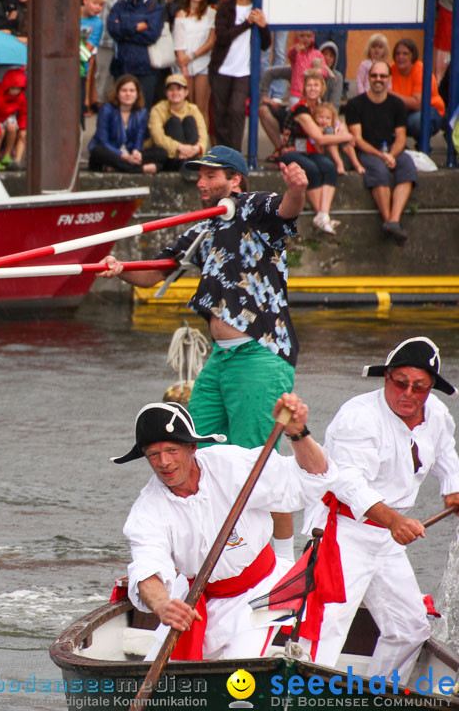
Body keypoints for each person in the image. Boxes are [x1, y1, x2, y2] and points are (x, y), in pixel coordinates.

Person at [100, 146, 308, 561]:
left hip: (260, 354)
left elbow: (286, 208)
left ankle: (283, 564)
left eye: (210, 176)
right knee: (200, 450)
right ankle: (215, 552)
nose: (200, 183)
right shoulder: (203, 225)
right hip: (222, 358)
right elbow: (159, 270)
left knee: (259, 465)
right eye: (199, 176)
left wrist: (297, 189)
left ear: (234, 179)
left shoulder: (250, 206)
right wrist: (122, 271)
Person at [119, 396, 332, 660]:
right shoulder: (147, 509)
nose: (164, 462)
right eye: (153, 454)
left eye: (172, 450)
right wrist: (164, 606)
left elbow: (314, 476)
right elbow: (147, 566)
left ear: (192, 447)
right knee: (158, 677)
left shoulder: (233, 465)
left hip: (258, 595)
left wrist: (298, 433)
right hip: (195, 601)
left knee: (237, 678)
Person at [305, 338, 459, 683]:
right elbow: (349, 483)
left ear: (431, 387)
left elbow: (447, 457)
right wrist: (393, 520)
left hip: (389, 539)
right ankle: (304, 700)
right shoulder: (358, 417)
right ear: (386, 377)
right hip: (346, 531)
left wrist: (453, 488)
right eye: (399, 382)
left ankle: (375, 695)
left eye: (419, 387)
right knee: (327, 627)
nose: (407, 393)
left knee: (410, 627)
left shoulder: (436, 414)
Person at [345, 61, 417, 246]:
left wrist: (392, 155)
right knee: (379, 170)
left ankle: (393, 220)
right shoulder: (355, 104)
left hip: (391, 150)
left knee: (407, 166)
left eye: (383, 76)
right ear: (368, 78)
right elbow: (357, 139)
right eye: (375, 75)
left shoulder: (397, 104)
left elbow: (401, 137)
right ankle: (390, 222)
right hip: (368, 152)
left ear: (389, 79)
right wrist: (382, 156)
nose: (378, 79)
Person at [274, 69, 352, 235]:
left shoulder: (321, 108)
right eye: (309, 85)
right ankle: (322, 216)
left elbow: (335, 123)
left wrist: (341, 130)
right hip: (292, 150)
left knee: (329, 167)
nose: (312, 88)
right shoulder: (301, 109)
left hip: (311, 151)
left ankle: (324, 214)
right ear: (304, 88)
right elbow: (320, 138)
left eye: (316, 85)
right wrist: (347, 136)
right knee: (311, 169)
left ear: (322, 88)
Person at [208, 0, 269, 151]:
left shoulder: (258, 9)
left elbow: (266, 44)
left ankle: (234, 156)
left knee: (236, 110)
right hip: (221, 69)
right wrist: (246, 23)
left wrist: (263, 27)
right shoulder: (225, 8)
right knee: (220, 114)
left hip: (244, 71)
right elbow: (222, 37)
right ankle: (223, 155)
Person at [89, 73, 165, 173]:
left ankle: (116, 168)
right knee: (97, 151)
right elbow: (103, 141)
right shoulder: (106, 109)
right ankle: (140, 169)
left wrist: (135, 153)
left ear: (137, 94)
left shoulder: (141, 113)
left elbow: (139, 138)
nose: (128, 94)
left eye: (132, 91)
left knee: (161, 153)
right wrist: (125, 157)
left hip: (129, 153)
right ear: (117, 93)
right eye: (124, 90)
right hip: (112, 153)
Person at [106, 0, 163, 108]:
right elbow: (113, 30)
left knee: (143, 110)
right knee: (119, 110)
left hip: (146, 67)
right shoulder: (119, 6)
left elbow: (151, 36)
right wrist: (137, 26)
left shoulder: (155, 8)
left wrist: (124, 31)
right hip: (121, 65)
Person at [390, 38, 445, 151]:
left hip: (429, 111)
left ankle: (423, 146)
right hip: (401, 111)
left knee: (417, 120)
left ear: (413, 55)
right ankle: (396, 146)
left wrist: (391, 94)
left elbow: (418, 104)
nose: (400, 57)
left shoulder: (420, 70)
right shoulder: (390, 70)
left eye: (405, 54)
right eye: (398, 53)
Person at [147, 72, 207, 171]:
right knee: (173, 122)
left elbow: (203, 134)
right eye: (171, 90)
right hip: (171, 156)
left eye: (179, 89)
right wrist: (180, 148)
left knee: (189, 120)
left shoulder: (193, 109)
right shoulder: (158, 109)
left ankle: (190, 161)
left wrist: (196, 148)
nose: (175, 93)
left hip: (191, 153)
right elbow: (158, 137)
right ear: (166, 93)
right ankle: (183, 162)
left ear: (186, 92)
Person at [172, 0, 214, 121]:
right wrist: (183, 65)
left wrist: (191, 56)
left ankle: (202, 140)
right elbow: (178, 45)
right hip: (184, 65)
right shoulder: (181, 15)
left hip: (204, 63)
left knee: (201, 108)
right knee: (186, 107)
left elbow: (211, 42)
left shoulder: (212, 14)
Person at [313, 101, 362, 180]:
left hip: (345, 159)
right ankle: (339, 164)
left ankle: (356, 164)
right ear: (315, 117)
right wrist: (328, 137)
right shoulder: (315, 131)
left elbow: (352, 141)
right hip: (328, 160)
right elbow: (319, 151)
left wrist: (340, 136)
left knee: (339, 135)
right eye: (321, 117)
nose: (324, 120)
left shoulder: (338, 126)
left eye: (327, 118)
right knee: (329, 132)